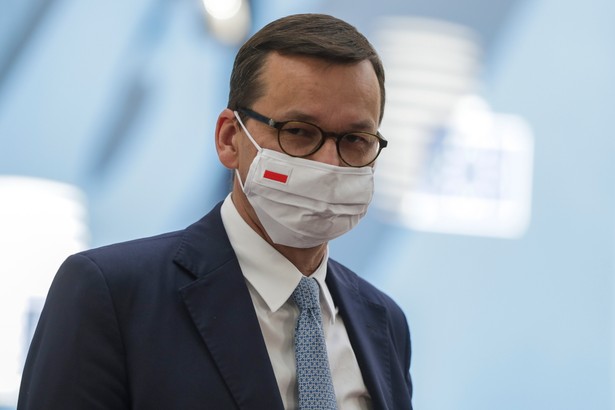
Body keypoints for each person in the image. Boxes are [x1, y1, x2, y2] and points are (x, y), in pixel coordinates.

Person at [17, 13, 413, 410]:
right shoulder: (111, 294)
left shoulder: (383, 321)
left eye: (356, 140)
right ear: (229, 139)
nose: (330, 163)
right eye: (298, 131)